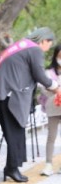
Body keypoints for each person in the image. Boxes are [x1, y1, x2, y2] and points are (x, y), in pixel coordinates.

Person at [0, 27, 61, 182]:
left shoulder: (21, 45)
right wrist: (56, 88)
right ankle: (11, 169)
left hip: (1, 94)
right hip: (10, 96)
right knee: (15, 132)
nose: (49, 47)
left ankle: (11, 167)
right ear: (44, 40)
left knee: (14, 133)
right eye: (49, 43)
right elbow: (40, 74)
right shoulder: (35, 50)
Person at [38, 44, 61, 176]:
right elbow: (43, 88)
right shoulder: (49, 72)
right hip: (53, 107)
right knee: (51, 136)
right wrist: (55, 92)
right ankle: (48, 164)